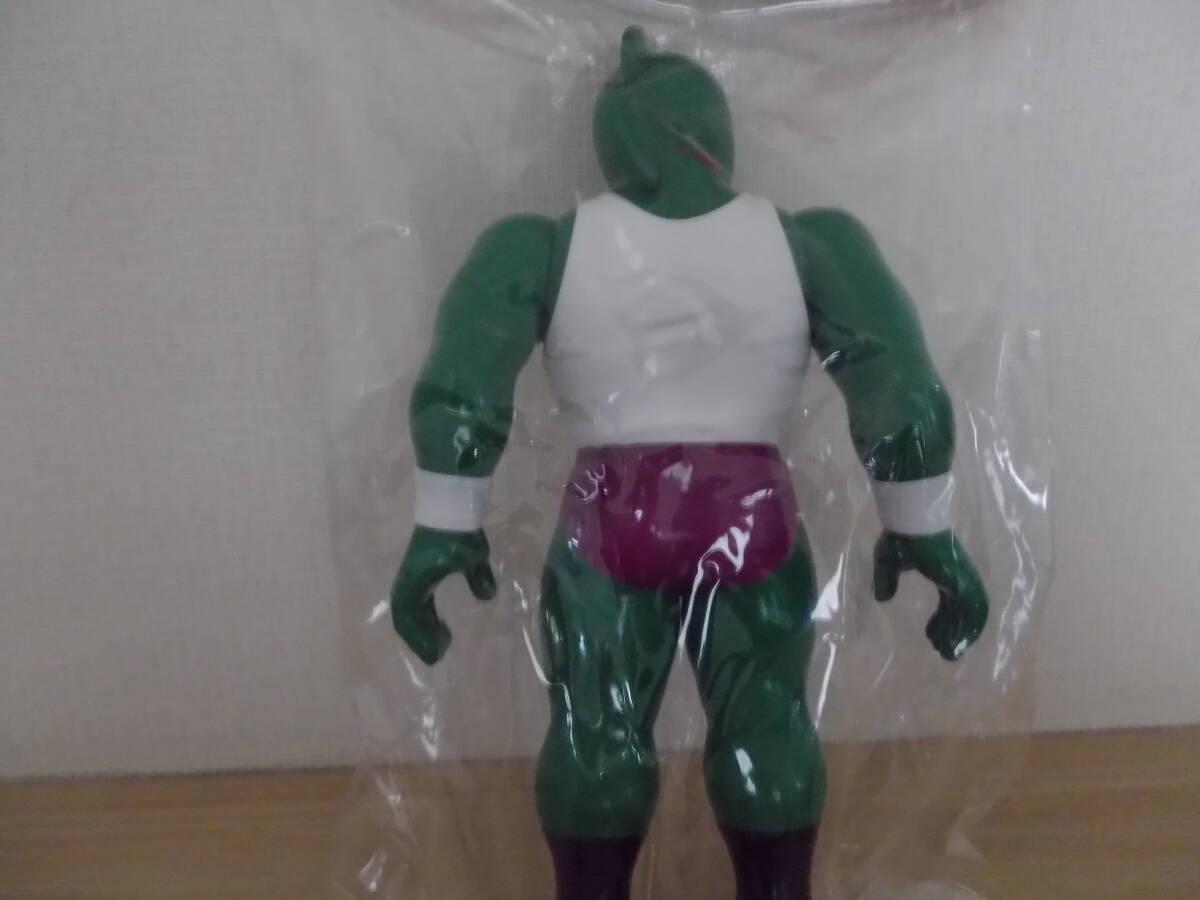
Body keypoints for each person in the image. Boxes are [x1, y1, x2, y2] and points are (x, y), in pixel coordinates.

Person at [389, 26, 988, 900]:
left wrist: (444, 523)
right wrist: (922, 526)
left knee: (594, 730)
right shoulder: (809, 242)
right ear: (712, 132)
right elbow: (896, 381)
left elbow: (462, 378)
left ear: (617, 143)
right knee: (767, 727)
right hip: (751, 511)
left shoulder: (540, 244)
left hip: (609, 514)